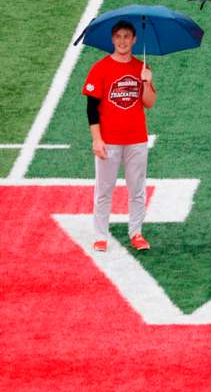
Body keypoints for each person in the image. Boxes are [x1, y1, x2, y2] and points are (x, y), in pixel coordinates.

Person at [83, 20, 156, 252]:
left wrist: (147, 82)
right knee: (104, 189)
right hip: (110, 140)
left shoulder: (141, 68)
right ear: (112, 40)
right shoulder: (100, 68)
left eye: (127, 36)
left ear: (134, 40)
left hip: (136, 139)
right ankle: (100, 235)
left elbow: (149, 103)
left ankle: (136, 232)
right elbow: (91, 107)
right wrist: (97, 138)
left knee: (137, 189)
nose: (123, 41)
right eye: (118, 36)